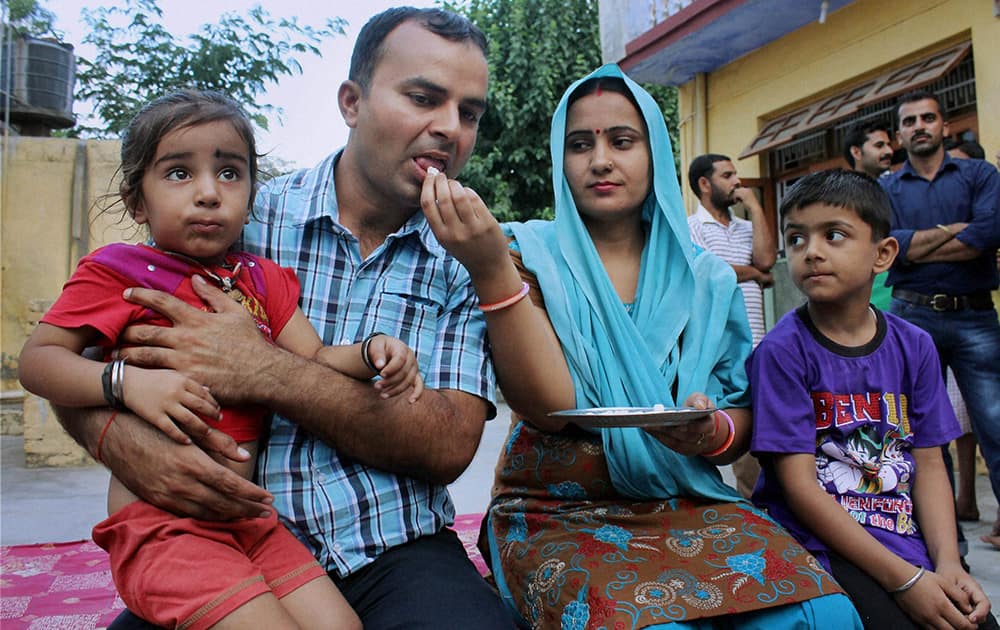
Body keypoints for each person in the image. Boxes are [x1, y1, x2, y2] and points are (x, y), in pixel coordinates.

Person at [48, 7, 512, 629]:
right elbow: (71, 356)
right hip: (214, 534)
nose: (449, 128)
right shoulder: (231, 215)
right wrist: (121, 440)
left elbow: (447, 445)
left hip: (393, 547)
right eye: (423, 98)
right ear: (352, 102)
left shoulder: (467, 260)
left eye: (470, 113)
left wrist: (261, 369)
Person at [423, 64, 861, 629]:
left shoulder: (707, 279)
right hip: (556, 506)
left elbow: (739, 418)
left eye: (622, 141)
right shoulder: (520, 255)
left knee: (821, 614)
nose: (600, 160)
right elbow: (544, 409)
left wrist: (712, 430)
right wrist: (490, 272)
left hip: (683, 500)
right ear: (561, 159)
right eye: (580, 145)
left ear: (654, 152)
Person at [749, 168, 996, 630]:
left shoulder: (915, 345)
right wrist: (905, 581)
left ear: (883, 254)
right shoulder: (781, 353)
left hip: (903, 536)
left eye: (834, 234)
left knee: (973, 622)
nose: (812, 251)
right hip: (818, 547)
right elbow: (799, 489)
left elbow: (928, 463)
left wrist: (947, 563)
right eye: (797, 239)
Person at [880, 89, 1000, 550]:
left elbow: (988, 233)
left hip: (975, 316)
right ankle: (947, 551)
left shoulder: (979, 174)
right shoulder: (886, 189)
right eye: (910, 121)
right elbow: (889, 247)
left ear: (944, 126)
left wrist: (916, 245)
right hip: (911, 317)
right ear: (899, 134)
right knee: (923, 436)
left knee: (996, 425)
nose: (919, 126)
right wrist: (959, 230)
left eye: (928, 118)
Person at [685, 153, 775, 499]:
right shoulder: (691, 228)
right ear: (705, 185)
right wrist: (754, 274)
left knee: (765, 436)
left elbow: (767, 259)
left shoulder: (746, 228)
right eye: (728, 175)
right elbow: (715, 272)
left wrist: (754, 206)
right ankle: (751, 512)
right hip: (722, 350)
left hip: (761, 345)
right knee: (735, 436)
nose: (737, 181)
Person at [843, 120, 894, 310]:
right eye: (879, 145)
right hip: (862, 300)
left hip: (904, 298)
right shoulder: (841, 198)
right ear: (856, 152)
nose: (888, 151)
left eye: (889, 144)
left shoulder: (897, 190)